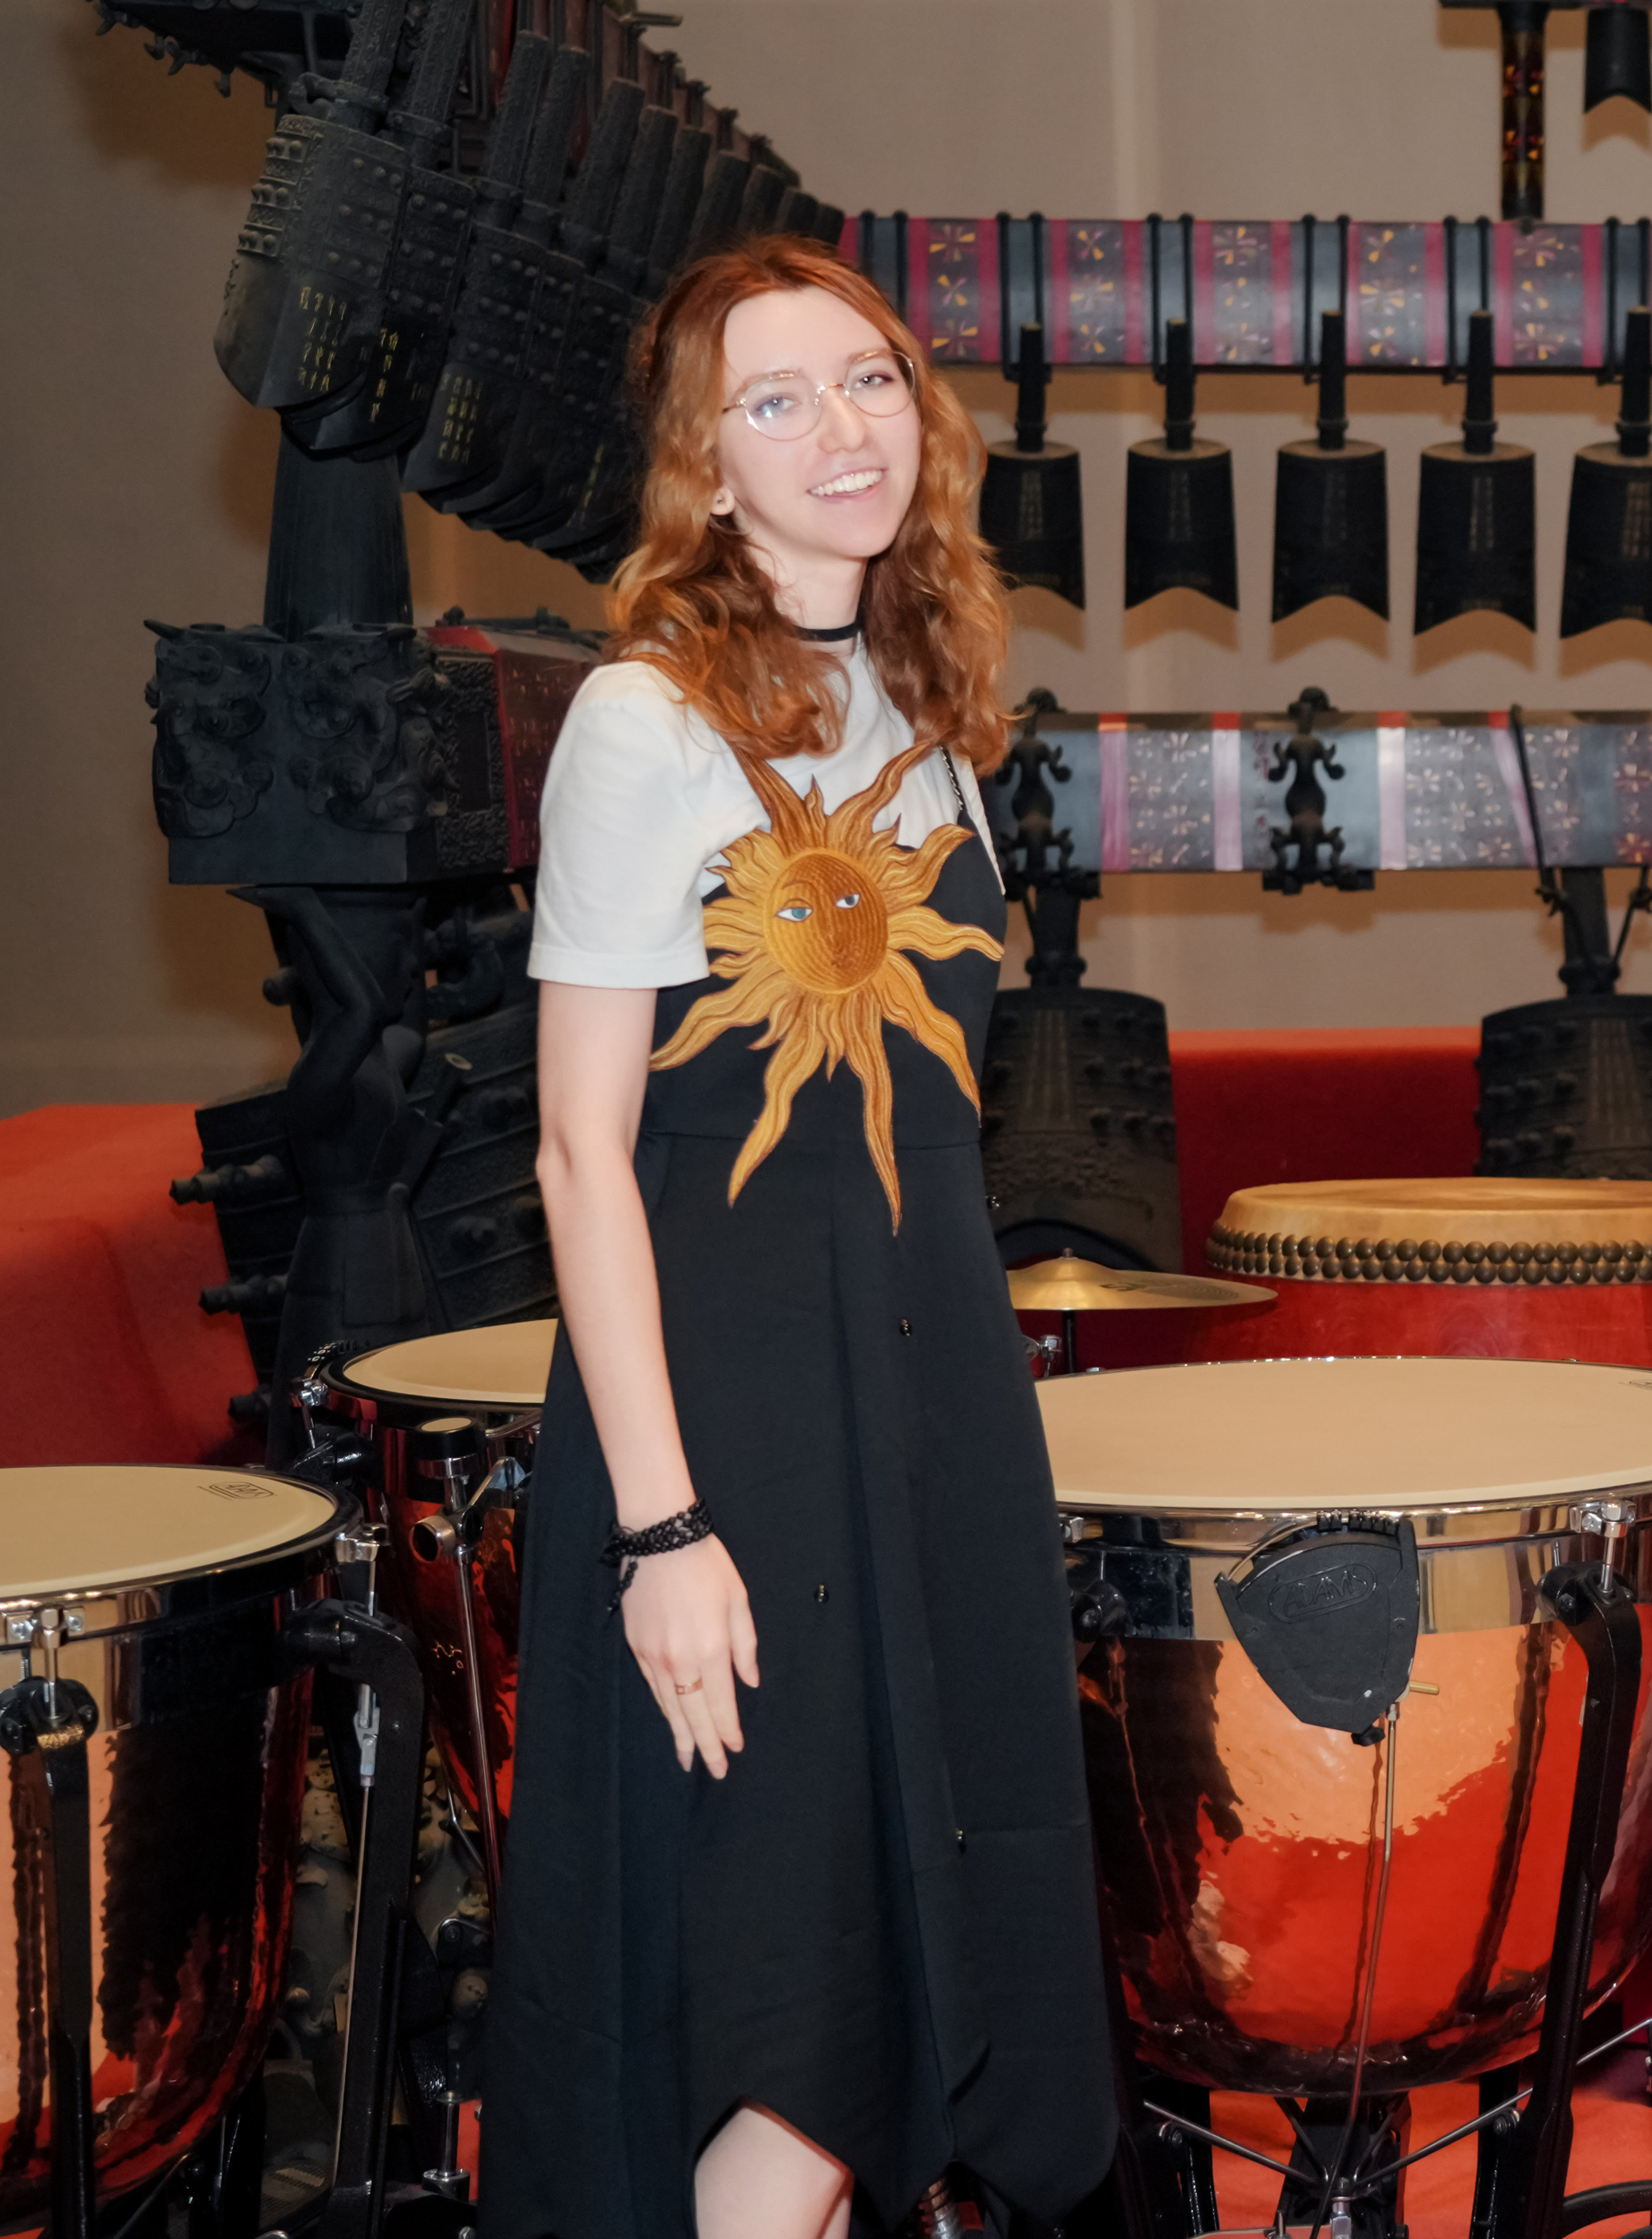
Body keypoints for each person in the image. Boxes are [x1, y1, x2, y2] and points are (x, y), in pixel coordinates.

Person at [486, 238, 1116, 2239]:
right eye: (776, 400)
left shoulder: (932, 704)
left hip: (930, 1421)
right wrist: (661, 1532)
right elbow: (580, 1153)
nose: (841, 429)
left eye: (867, 379)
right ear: (706, 463)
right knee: (797, 2017)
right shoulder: (646, 719)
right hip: (734, 1439)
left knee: (903, 1995)